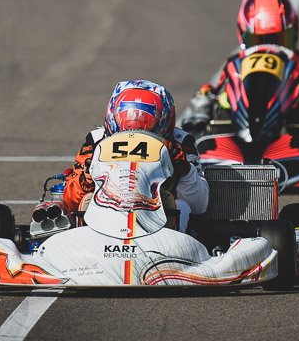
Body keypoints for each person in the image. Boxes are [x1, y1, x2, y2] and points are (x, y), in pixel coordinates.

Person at [183, 0, 299, 155]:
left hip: (295, 140)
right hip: (233, 145)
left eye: (279, 39)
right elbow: (215, 91)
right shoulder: (235, 63)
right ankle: (205, 146)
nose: (269, 47)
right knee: (206, 105)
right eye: (258, 41)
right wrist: (207, 98)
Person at [63, 80, 208, 233]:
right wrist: (85, 178)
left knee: (182, 206)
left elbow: (199, 204)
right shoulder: (96, 140)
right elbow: (71, 199)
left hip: (158, 219)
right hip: (107, 211)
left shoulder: (181, 142)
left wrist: (184, 169)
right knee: (85, 201)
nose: (136, 127)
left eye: (146, 120)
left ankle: (177, 250)